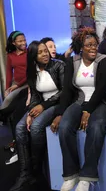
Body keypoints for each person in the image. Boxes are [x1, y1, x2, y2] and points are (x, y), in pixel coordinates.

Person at [56, 27, 106, 191]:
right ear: (81, 47)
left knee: (96, 128)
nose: (93, 48)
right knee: (65, 127)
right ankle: (71, 174)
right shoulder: (72, 62)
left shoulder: (105, 61)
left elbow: (102, 89)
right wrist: (61, 113)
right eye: (88, 45)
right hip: (79, 101)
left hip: (101, 102)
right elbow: (67, 91)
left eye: (95, 44)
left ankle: (87, 177)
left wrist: (88, 110)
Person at [10, 41, 65, 191]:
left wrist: (43, 106)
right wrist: (31, 112)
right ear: (34, 56)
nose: (45, 54)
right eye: (40, 52)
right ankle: (25, 173)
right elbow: (34, 94)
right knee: (20, 127)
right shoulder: (32, 70)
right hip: (41, 104)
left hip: (57, 103)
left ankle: (36, 170)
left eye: (45, 51)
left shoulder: (58, 65)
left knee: (36, 127)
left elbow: (65, 91)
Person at [0, 31, 28, 165]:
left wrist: (17, 86)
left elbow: (31, 73)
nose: (23, 43)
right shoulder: (10, 56)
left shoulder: (29, 53)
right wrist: (7, 89)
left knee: (10, 108)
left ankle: (18, 143)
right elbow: (9, 75)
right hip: (16, 85)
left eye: (24, 40)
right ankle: (15, 140)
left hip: (26, 84)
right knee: (6, 103)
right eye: (20, 41)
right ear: (13, 43)